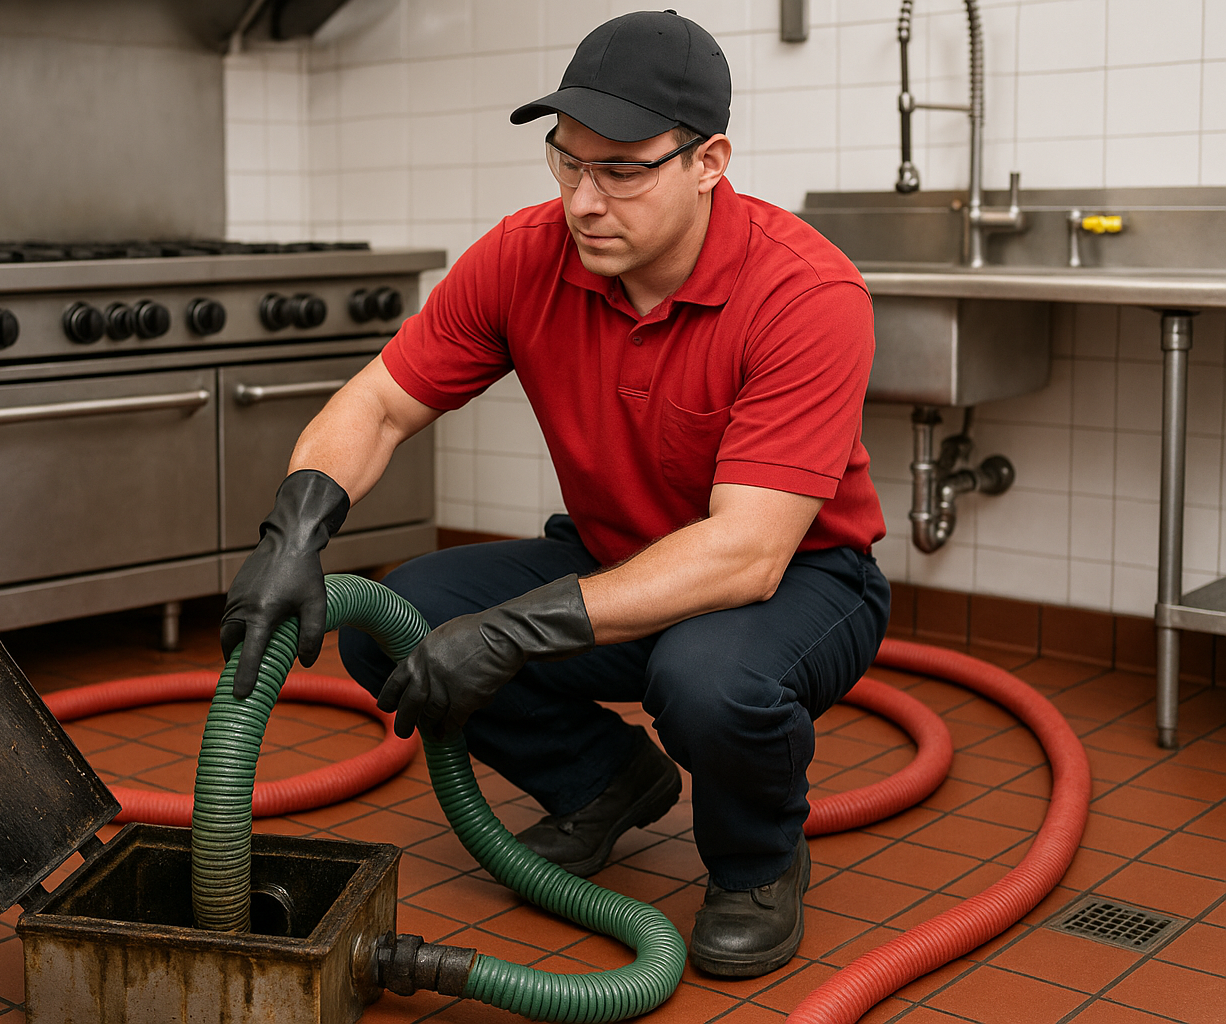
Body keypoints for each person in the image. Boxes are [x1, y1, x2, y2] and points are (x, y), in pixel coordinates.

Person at [220, 10, 889, 979]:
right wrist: (295, 529)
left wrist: (507, 632)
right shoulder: (526, 255)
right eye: (566, 162)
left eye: (622, 170)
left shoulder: (804, 293)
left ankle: (757, 861)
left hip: (801, 578)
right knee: (388, 619)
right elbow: (377, 403)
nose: (584, 199)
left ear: (710, 160)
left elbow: (746, 550)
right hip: (612, 554)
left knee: (707, 681)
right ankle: (603, 780)